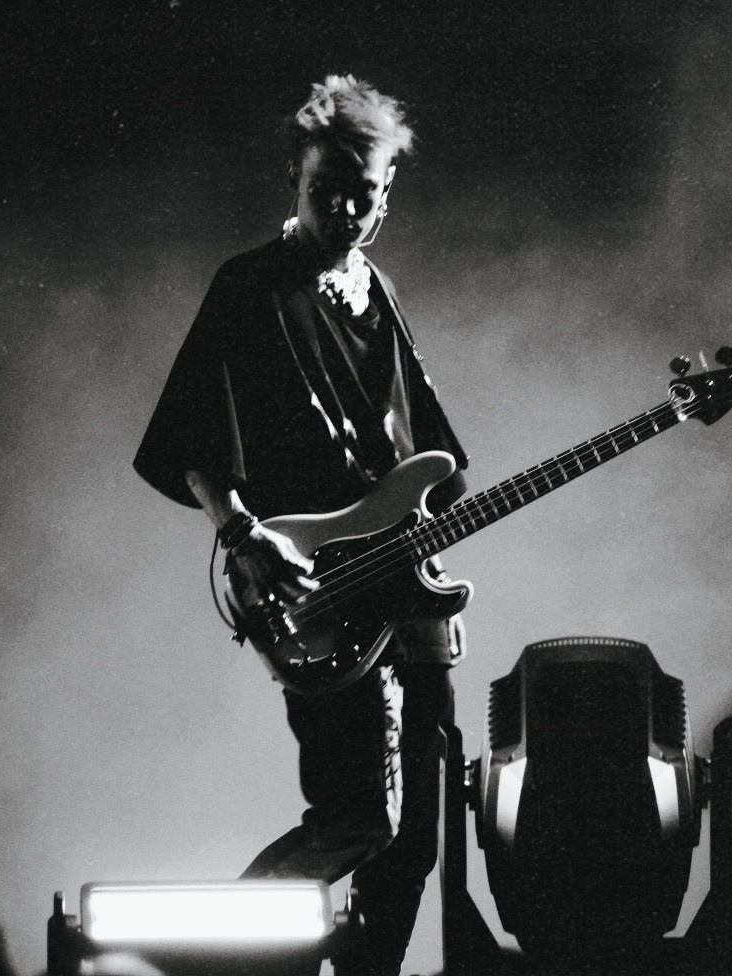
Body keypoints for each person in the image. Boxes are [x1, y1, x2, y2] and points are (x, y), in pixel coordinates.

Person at [134, 74, 470, 976]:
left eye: (367, 194)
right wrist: (244, 532)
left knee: (414, 842)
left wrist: (430, 547)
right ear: (295, 177)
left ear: (388, 193)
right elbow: (190, 439)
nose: (348, 211)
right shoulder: (249, 286)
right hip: (319, 590)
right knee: (358, 819)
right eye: (329, 190)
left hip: (407, 596)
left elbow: (430, 455)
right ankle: (215, 960)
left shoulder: (378, 292)